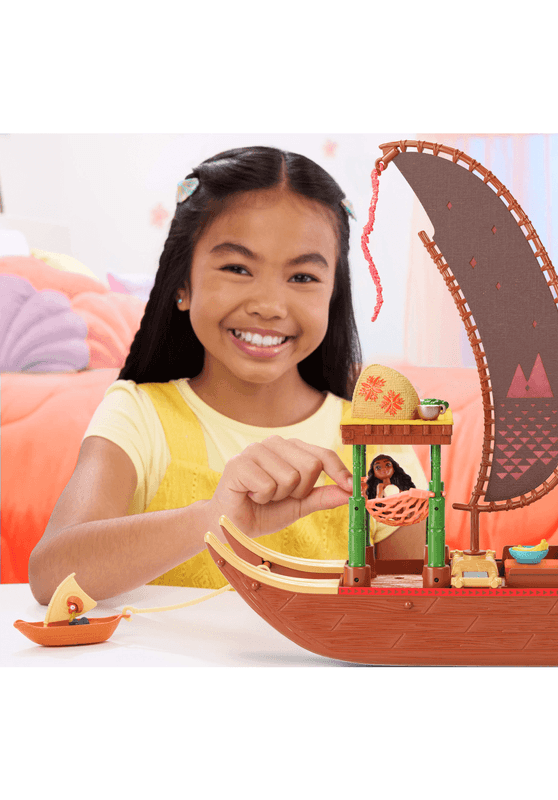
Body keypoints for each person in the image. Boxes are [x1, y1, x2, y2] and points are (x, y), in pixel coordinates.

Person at [28, 146, 427, 604]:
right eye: (237, 268)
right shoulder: (138, 414)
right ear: (182, 285)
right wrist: (215, 518)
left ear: (333, 296)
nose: (269, 305)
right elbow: (52, 575)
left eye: (302, 277)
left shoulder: (375, 434)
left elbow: (417, 603)